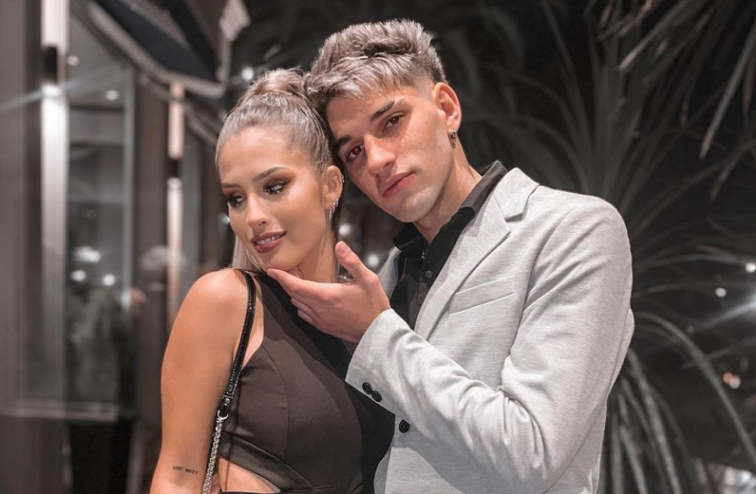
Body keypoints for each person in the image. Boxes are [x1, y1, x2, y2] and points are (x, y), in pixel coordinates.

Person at [267, 20, 635, 493]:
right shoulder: (393, 273)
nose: (376, 160)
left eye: (391, 122)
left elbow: (532, 451)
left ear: (446, 108)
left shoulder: (573, 229)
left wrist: (374, 333)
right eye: (354, 150)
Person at [150, 69, 393, 494]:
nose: (253, 216)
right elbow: (175, 479)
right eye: (236, 198)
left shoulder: (369, 312)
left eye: (274, 187)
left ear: (330, 185)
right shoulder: (224, 301)